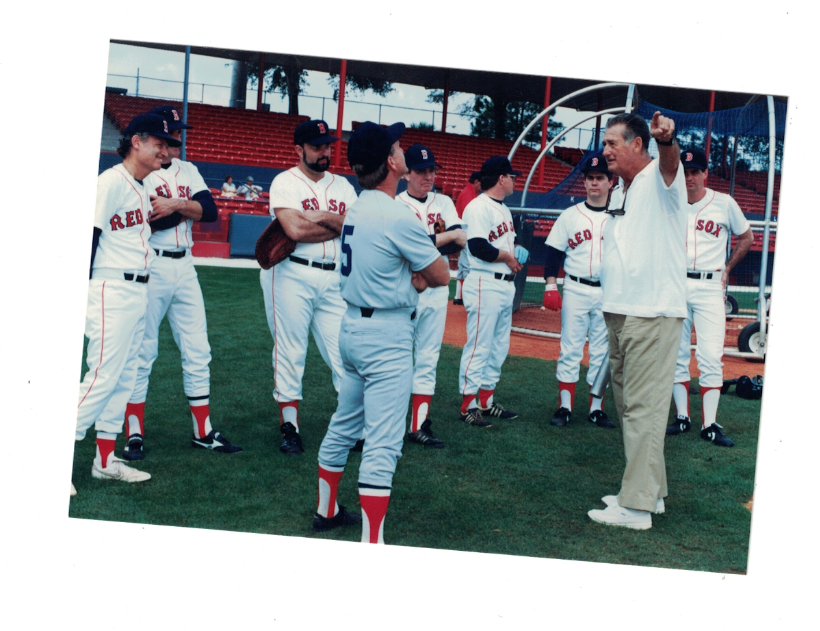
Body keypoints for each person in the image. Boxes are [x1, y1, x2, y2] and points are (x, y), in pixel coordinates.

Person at [313, 121, 450, 543]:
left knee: (344, 423)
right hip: (386, 335)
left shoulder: (356, 205)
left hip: (351, 326)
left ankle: (326, 509)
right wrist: (419, 277)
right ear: (392, 162)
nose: (403, 150)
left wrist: (413, 275)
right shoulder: (397, 215)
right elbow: (442, 274)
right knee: (384, 441)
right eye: (398, 146)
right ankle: (373, 542)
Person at [122, 105, 241, 461]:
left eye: (177, 133)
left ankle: (202, 432)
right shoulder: (143, 171)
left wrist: (174, 203)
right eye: (170, 133)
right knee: (143, 352)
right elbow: (151, 223)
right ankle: (134, 434)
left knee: (198, 349)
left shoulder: (188, 169)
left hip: (185, 266)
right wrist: (187, 208)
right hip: (153, 264)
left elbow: (211, 212)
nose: (176, 139)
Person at [587, 112, 688, 530]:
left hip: (652, 312)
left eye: (613, 143)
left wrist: (668, 140)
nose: (605, 150)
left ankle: (637, 508)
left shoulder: (662, 179)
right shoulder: (622, 188)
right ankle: (652, 493)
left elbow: (670, 163)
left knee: (643, 410)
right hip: (621, 310)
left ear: (638, 145)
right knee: (632, 409)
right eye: (605, 143)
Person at [73, 113, 181, 495]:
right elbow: (89, 233)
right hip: (112, 289)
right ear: (136, 141)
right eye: (160, 143)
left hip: (137, 291)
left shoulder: (141, 186)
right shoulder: (111, 181)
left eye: (168, 145)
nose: (166, 151)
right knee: (101, 375)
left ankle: (104, 461)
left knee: (124, 378)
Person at [260, 119, 358, 455]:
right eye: (317, 146)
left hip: (334, 278)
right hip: (291, 274)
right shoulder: (285, 182)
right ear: (298, 149)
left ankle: (352, 426)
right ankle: (290, 426)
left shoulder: (343, 186)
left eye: (328, 145)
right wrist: (335, 223)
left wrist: (318, 217)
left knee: (343, 352)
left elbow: (355, 227)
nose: (324, 151)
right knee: (290, 351)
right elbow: (294, 231)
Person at [666, 148, 753, 447]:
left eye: (695, 171)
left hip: (709, 285)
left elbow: (747, 237)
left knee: (710, 355)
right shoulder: (670, 202)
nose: (689, 177)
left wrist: (727, 268)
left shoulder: (724, 203)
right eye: (685, 172)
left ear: (705, 173)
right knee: (677, 354)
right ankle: (682, 417)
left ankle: (710, 424)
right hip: (676, 284)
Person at [398, 144, 467, 447]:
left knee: (428, 358)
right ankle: (386, 422)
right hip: (404, 290)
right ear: (406, 174)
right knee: (397, 359)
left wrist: (437, 241)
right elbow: (403, 246)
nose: (428, 176)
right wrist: (447, 236)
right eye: (421, 171)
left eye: (432, 170)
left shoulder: (444, 201)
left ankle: (418, 425)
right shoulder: (396, 203)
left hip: (437, 289)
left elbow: (458, 243)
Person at [543, 151, 616, 429]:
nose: (595, 183)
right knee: (570, 348)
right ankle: (564, 407)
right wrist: (551, 285)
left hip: (608, 291)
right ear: (584, 183)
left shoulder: (619, 216)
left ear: (610, 182)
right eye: (590, 178)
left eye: (600, 178)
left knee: (601, 350)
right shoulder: (570, 215)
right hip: (575, 287)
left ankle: (596, 408)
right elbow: (553, 252)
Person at [457, 157, 529, 427]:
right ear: (501, 178)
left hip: (504, 284)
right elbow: (478, 247)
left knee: (499, 346)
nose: (514, 180)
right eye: (512, 176)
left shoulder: (504, 209)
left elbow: (505, 240)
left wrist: (517, 248)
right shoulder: (478, 207)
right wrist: (509, 258)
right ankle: (468, 405)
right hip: (484, 281)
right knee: (479, 345)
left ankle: (485, 401)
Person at [453, 170, 481, 305]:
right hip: (465, 232)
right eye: (480, 183)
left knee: (462, 265)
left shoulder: (470, 192)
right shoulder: (469, 193)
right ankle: (468, 298)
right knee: (468, 265)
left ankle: (459, 297)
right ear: (476, 182)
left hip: (463, 231)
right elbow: (469, 218)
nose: (481, 187)